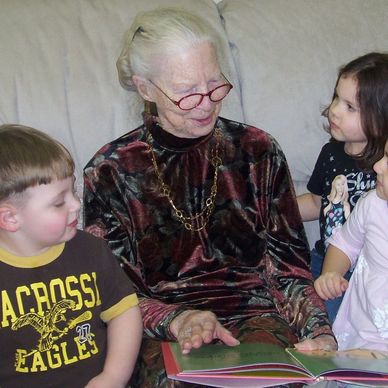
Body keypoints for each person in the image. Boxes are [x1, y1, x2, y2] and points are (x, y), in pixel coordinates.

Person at [83, 7, 336, 387]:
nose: (206, 102)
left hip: (258, 317)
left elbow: (288, 269)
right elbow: (114, 294)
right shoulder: (111, 171)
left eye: (215, 84)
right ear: (146, 88)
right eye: (186, 92)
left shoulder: (258, 151)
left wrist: (320, 331)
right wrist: (177, 320)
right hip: (164, 330)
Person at [0, 124, 143, 387]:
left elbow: (124, 314)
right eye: (58, 202)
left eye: (73, 190)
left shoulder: (91, 250)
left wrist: (113, 376)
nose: (76, 204)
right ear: (10, 218)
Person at [297, 52, 388, 322]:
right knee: (324, 322)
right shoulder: (331, 153)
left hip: (371, 271)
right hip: (326, 262)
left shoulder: (383, 165)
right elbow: (316, 202)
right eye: (337, 98)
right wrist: (271, 208)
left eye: (350, 107)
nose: (335, 110)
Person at [314, 137, 388, 351]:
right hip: (362, 336)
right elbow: (344, 244)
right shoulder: (372, 204)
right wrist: (331, 274)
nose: (377, 166)